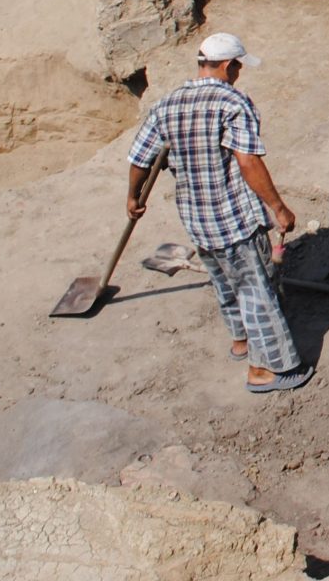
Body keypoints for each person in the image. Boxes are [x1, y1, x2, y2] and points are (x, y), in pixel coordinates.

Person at [127, 34, 310, 394]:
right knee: (256, 289)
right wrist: (278, 207)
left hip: (196, 220)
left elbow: (140, 159)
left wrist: (132, 198)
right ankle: (266, 370)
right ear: (227, 66)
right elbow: (247, 160)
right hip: (234, 219)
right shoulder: (233, 103)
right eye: (238, 66)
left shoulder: (167, 105)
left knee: (224, 281)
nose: (239, 73)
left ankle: (240, 341)